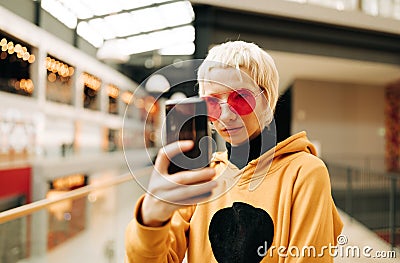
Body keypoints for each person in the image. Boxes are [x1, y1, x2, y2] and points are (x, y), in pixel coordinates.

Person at [125, 40, 343, 262]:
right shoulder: (202, 177)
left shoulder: (304, 173)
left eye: (241, 99)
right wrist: (150, 220)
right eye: (212, 103)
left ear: (266, 100)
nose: (227, 115)